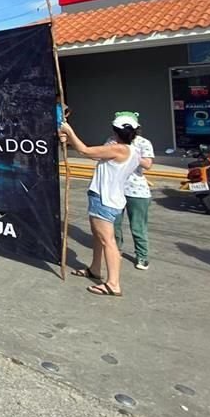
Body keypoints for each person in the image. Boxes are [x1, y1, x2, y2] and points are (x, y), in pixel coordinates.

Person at [60, 114, 142, 297]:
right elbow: (92, 154)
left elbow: (85, 151)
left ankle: (113, 284)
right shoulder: (134, 151)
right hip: (113, 198)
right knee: (98, 237)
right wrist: (69, 138)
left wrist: (69, 130)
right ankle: (95, 268)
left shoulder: (118, 150)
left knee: (107, 241)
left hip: (104, 199)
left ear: (116, 131)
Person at [106, 112, 155, 270]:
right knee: (114, 224)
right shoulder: (111, 142)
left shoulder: (143, 143)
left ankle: (142, 256)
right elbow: (100, 156)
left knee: (138, 226)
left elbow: (147, 164)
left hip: (137, 191)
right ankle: (116, 250)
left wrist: (130, 154)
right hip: (115, 189)